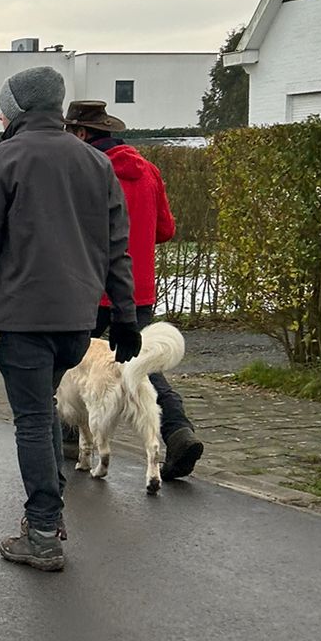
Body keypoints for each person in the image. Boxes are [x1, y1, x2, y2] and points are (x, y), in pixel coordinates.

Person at [0, 65, 139, 573]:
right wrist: (126, 317)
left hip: (25, 318)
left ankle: (44, 532)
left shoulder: (1, 160)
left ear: (18, 109)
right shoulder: (97, 163)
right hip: (77, 322)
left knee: (30, 419)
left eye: (3, 109)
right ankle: (50, 510)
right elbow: (117, 249)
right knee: (42, 409)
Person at [65, 100, 203, 481]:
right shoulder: (149, 171)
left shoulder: (85, 171)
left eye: (69, 133)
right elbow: (166, 230)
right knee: (139, 365)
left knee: (68, 358)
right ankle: (177, 431)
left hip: (92, 286)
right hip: (138, 288)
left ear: (82, 134)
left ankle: (67, 437)